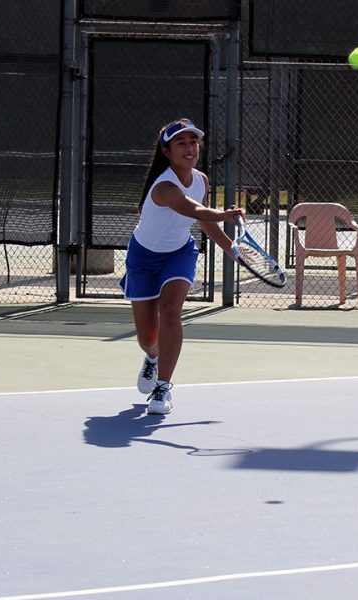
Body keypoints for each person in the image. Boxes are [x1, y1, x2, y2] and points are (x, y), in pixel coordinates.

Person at [119, 118, 244, 415]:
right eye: (181, 143)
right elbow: (194, 209)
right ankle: (152, 358)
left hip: (179, 253)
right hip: (143, 258)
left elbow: (200, 221)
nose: (189, 148)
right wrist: (222, 214)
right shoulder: (164, 185)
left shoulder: (200, 179)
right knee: (148, 339)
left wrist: (230, 248)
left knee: (171, 311)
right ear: (167, 151)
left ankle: (163, 387)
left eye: (193, 142)